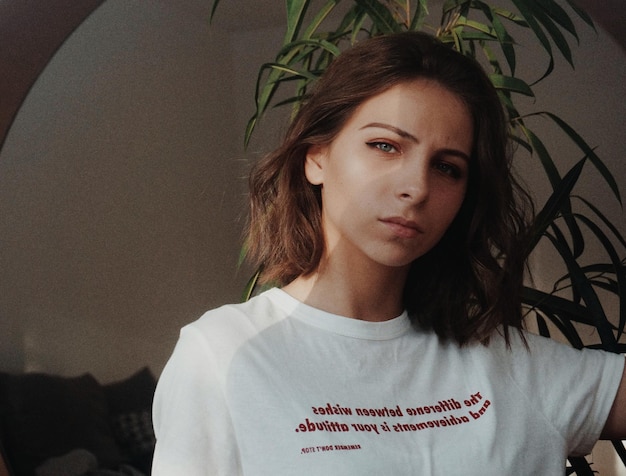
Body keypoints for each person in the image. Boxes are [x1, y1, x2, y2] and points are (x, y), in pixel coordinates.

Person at [151, 31, 626, 475]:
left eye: (447, 168)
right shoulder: (222, 354)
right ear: (316, 157)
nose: (416, 187)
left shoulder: (510, 365)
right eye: (385, 145)